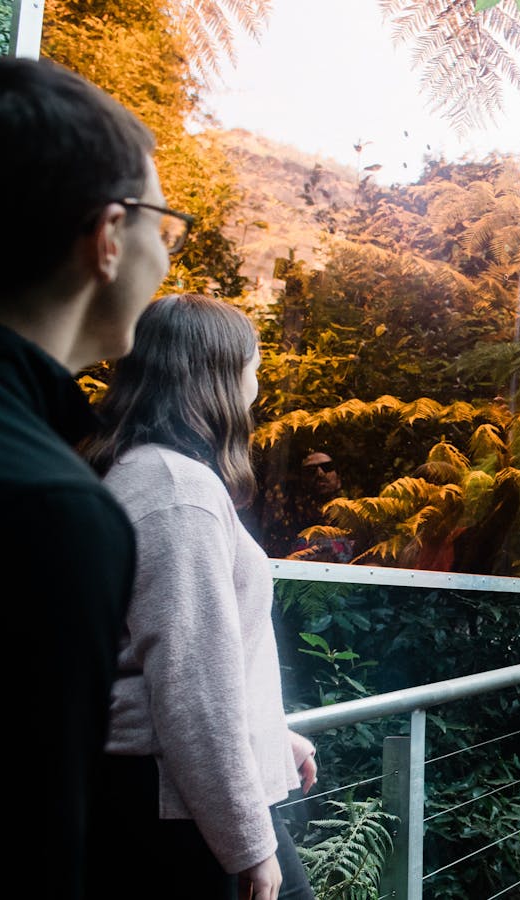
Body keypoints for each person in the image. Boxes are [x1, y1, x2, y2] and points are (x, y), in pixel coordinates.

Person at [0, 56, 174, 899]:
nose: (167, 257)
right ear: (109, 237)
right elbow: (13, 844)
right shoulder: (46, 510)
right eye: (168, 226)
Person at [80, 295, 320, 900]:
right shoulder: (175, 491)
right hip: (173, 807)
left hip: (180, 793)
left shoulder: (150, 475)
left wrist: (268, 734)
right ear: (212, 375)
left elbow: (200, 659)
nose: (257, 386)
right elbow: (190, 687)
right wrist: (248, 846)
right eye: (254, 367)